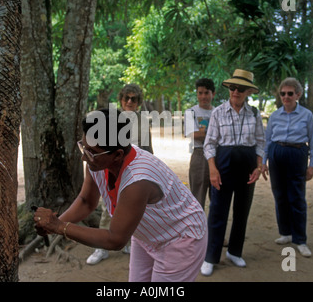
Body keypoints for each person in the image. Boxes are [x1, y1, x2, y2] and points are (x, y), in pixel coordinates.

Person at [34, 108, 207, 282]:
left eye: (91, 152)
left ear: (117, 155)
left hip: (180, 238)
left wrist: (59, 227)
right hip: (147, 233)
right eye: (83, 147)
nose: (84, 158)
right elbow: (86, 202)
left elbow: (115, 240)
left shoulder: (137, 180)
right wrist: (54, 224)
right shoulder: (97, 162)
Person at [201, 69, 265, 276]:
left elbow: (260, 142)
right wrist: (212, 169)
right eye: (233, 88)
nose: (235, 92)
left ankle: (235, 252)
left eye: (241, 88)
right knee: (218, 210)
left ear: (248, 92)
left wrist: (258, 166)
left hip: (247, 166)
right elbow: (209, 144)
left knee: (242, 210)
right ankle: (211, 256)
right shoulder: (218, 112)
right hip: (224, 164)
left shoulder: (254, 113)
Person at [86, 83, 153, 265]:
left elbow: (148, 148)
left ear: (138, 102)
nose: (130, 101)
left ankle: (130, 243)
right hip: (115, 169)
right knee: (109, 208)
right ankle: (101, 248)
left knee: (134, 210)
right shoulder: (113, 118)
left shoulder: (142, 121)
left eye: (134, 99)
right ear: (121, 99)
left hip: (136, 171)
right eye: (127, 98)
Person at [261, 77, 313, 258]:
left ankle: (300, 239)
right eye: (283, 93)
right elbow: (267, 140)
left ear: (298, 95)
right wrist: (263, 162)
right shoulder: (275, 116)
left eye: (290, 93)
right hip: (277, 154)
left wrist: (311, 165)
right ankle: (285, 233)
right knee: (280, 195)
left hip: (297, 154)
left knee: (297, 197)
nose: (286, 97)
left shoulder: (306, 115)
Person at [184, 78, 215, 211]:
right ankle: (197, 229)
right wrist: (214, 133)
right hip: (199, 155)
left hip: (217, 156)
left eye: (206, 93)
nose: (203, 96)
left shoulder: (218, 112)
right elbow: (192, 134)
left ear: (213, 93)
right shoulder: (191, 112)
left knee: (217, 197)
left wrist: (203, 132)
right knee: (197, 197)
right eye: (200, 93)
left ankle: (213, 230)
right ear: (197, 94)